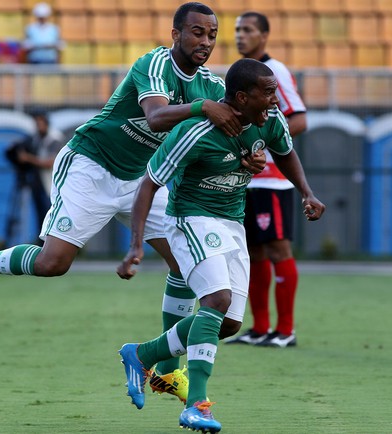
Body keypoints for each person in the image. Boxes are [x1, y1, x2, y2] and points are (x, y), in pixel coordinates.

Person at [0, 2, 248, 404]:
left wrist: (248, 153)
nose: (205, 42)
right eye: (197, 32)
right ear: (175, 34)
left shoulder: (213, 87)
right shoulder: (154, 64)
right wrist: (203, 108)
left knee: (186, 263)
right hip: (91, 166)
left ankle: (167, 372)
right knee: (51, 264)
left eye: (212, 35)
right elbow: (155, 117)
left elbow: (224, 135)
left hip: (143, 179)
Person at [116, 58, 325, 432]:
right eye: (268, 93)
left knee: (227, 323)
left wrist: (307, 193)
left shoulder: (270, 122)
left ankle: (143, 353)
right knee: (217, 301)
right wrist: (136, 244)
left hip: (232, 223)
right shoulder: (196, 131)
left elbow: (286, 151)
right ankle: (197, 405)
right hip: (190, 218)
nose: (275, 101)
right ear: (242, 97)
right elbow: (148, 183)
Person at [226, 11, 310, 348]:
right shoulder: (242, 75)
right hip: (248, 178)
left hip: (273, 178)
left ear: (264, 35)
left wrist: (262, 142)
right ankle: (260, 328)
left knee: (277, 248)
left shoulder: (275, 72)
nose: (240, 35)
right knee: (254, 252)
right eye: (236, 30)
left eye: (248, 30)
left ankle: (285, 330)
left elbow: (299, 119)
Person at [3, 111, 63, 245]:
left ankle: (51, 245)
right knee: (40, 217)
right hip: (37, 183)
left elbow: (50, 163)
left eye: (41, 123)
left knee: (50, 216)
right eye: (37, 123)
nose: (38, 126)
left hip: (50, 185)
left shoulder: (55, 139)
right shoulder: (35, 138)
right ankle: (41, 244)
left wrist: (28, 158)